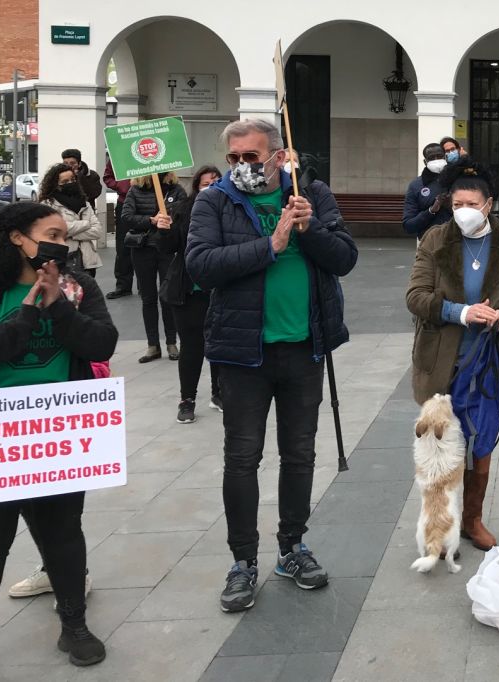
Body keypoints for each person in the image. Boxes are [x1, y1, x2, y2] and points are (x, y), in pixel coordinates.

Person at [186, 119, 357, 613]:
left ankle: (292, 548)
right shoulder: (214, 200)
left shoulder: (312, 193)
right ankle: (243, 561)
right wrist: (271, 246)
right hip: (243, 353)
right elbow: (201, 265)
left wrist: (311, 230)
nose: (242, 166)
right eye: (234, 158)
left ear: (279, 157)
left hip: (304, 347)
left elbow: (344, 258)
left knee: (299, 453)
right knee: (242, 458)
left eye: (251, 157)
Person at [0, 202, 118, 668]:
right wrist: (22, 318)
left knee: (63, 532)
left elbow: (102, 343)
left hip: (59, 432)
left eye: (64, 236)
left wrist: (58, 306)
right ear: (18, 238)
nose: (60, 243)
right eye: (52, 233)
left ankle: (74, 625)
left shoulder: (78, 287)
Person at [407, 158, 499, 550]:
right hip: (440, 362)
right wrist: (460, 312)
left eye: (471, 203)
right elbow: (415, 296)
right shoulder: (435, 240)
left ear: (488, 204)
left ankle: (473, 519)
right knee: (440, 451)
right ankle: (438, 527)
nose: (463, 211)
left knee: (480, 446)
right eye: (456, 204)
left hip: (489, 363)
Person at [160, 165, 223, 424]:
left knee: (220, 345)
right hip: (188, 290)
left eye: (216, 181)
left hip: (219, 289)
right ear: (196, 186)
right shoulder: (183, 211)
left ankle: (219, 393)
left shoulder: (230, 209)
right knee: (192, 348)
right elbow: (168, 248)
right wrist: (164, 229)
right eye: (206, 182)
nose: (211, 185)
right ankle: (187, 399)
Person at [121, 173, 185, 363]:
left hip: (167, 248)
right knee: (148, 297)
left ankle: (171, 342)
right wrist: (151, 220)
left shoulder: (176, 189)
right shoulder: (135, 190)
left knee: (167, 295)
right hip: (143, 248)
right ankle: (152, 345)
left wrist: (171, 220)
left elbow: (185, 214)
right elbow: (126, 217)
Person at [37, 164, 103, 278]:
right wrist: (86, 224)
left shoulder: (84, 203)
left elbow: (97, 231)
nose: (70, 183)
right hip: (64, 259)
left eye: (72, 180)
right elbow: (55, 231)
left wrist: (71, 234)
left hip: (87, 261)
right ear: (55, 185)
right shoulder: (48, 205)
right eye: (65, 182)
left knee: (89, 294)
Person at [403, 143, 452, 241]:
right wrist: (431, 210)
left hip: (457, 243)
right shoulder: (416, 186)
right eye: (431, 158)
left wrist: (452, 206)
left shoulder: (458, 180)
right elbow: (408, 225)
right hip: (430, 245)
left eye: (439, 156)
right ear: (425, 162)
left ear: (446, 157)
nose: (436, 160)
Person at [103, 156, 134, 299]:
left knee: (150, 244)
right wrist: (122, 186)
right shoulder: (118, 153)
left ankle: (146, 284)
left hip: (149, 201)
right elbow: (107, 177)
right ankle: (123, 285)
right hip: (125, 202)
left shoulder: (151, 149)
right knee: (123, 246)